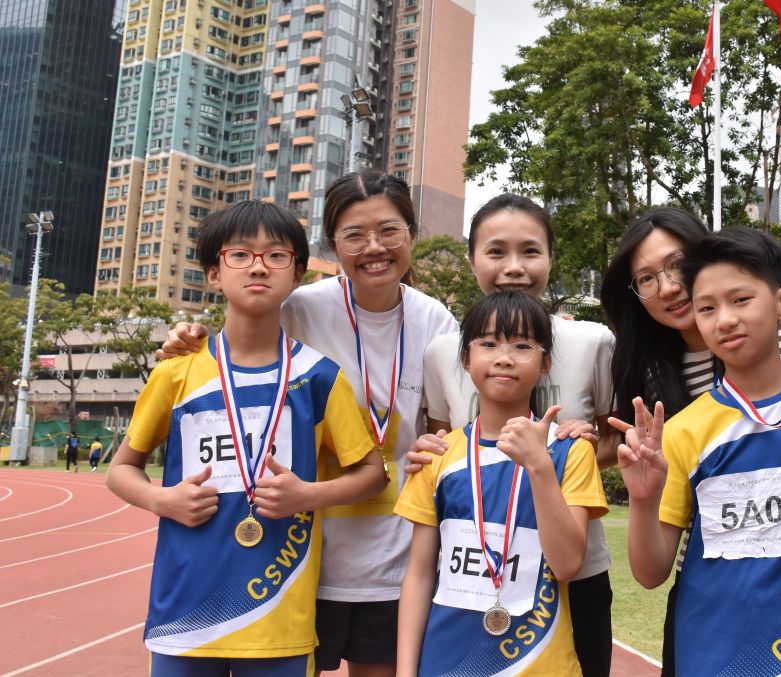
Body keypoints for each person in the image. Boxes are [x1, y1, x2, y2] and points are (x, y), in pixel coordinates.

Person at [156, 170, 459, 677]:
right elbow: (237, 348)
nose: (374, 248)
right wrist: (188, 337)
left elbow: (446, 431)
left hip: (395, 555)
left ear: (412, 234)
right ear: (333, 244)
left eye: (389, 230)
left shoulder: (436, 322)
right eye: (354, 235)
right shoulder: (299, 308)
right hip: (293, 551)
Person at [106, 200, 386, 676]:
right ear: (214, 274)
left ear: (296, 274)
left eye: (276, 255)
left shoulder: (319, 377)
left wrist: (309, 495)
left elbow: (372, 475)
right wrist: (162, 500)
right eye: (240, 255)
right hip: (185, 613)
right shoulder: (177, 373)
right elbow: (120, 470)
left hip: (279, 615)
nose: (258, 267)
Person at [598, 207, 781, 674]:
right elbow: (643, 465)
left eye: (675, 265)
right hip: (712, 598)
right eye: (647, 278)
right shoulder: (655, 381)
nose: (668, 286)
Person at [413, 194, 616, 677]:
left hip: (573, 566)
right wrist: (423, 452)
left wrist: (576, 448)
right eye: (496, 251)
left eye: (530, 251)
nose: (514, 267)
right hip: (477, 570)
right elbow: (443, 444)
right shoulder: (444, 351)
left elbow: (615, 439)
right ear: (472, 260)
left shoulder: (591, 341)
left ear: (550, 258)